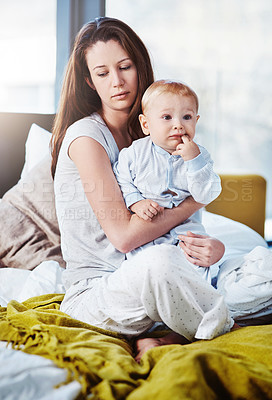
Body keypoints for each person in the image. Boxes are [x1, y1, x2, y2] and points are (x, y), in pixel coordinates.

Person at [50, 16, 237, 362]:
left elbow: (181, 217)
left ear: (140, 67)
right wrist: (194, 202)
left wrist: (210, 246)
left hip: (145, 274)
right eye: (103, 73)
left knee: (248, 266)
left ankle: (164, 336)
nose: (118, 82)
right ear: (89, 81)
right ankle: (220, 325)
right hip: (99, 291)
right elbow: (123, 237)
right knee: (161, 262)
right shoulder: (86, 138)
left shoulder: (149, 135)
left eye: (125, 67)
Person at [114, 79, 221, 282]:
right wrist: (136, 201)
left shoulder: (201, 157)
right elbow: (121, 179)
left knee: (196, 273)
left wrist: (194, 161)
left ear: (196, 121)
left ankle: (198, 299)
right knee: (143, 273)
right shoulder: (135, 154)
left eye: (187, 117)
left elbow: (206, 194)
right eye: (167, 117)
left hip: (186, 235)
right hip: (147, 235)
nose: (178, 125)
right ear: (146, 124)